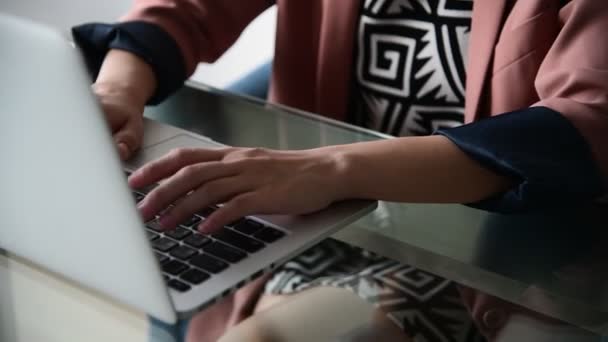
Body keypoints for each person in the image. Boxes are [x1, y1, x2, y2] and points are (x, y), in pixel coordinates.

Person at [72, 0, 608, 341]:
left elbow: (585, 122)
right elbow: (192, 7)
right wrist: (117, 87)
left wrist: (329, 168)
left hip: (482, 247)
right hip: (320, 216)